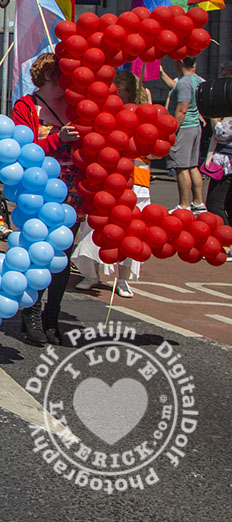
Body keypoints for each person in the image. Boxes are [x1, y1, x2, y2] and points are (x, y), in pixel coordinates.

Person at [10, 53, 80, 346]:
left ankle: (53, 317)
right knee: (40, 253)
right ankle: (32, 314)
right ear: (49, 76)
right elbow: (22, 150)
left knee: (63, 258)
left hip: (72, 190)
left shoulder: (77, 106)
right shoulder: (26, 107)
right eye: (64, 75)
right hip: (39, 192)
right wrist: (57, 139)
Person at [73, 70, 148, 298]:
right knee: (94, 228)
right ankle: (91, 273)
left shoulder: (143, 114)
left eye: (121, 90)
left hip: (136, 178)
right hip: (107, 179)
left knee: (132, 232)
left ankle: (123, 279)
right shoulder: (104, 112)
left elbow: (151, 152)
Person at [162, 56, 206, 211]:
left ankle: (184, 204)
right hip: (194, 126)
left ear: (180, 62)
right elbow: (175, 87)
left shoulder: (185, 83)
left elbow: (182, 109)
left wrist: (172, 130)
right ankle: (198, 202)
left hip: (184, 128)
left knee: (181, 167)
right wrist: (161, 73)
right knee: (193, 166)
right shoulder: (196, 80)